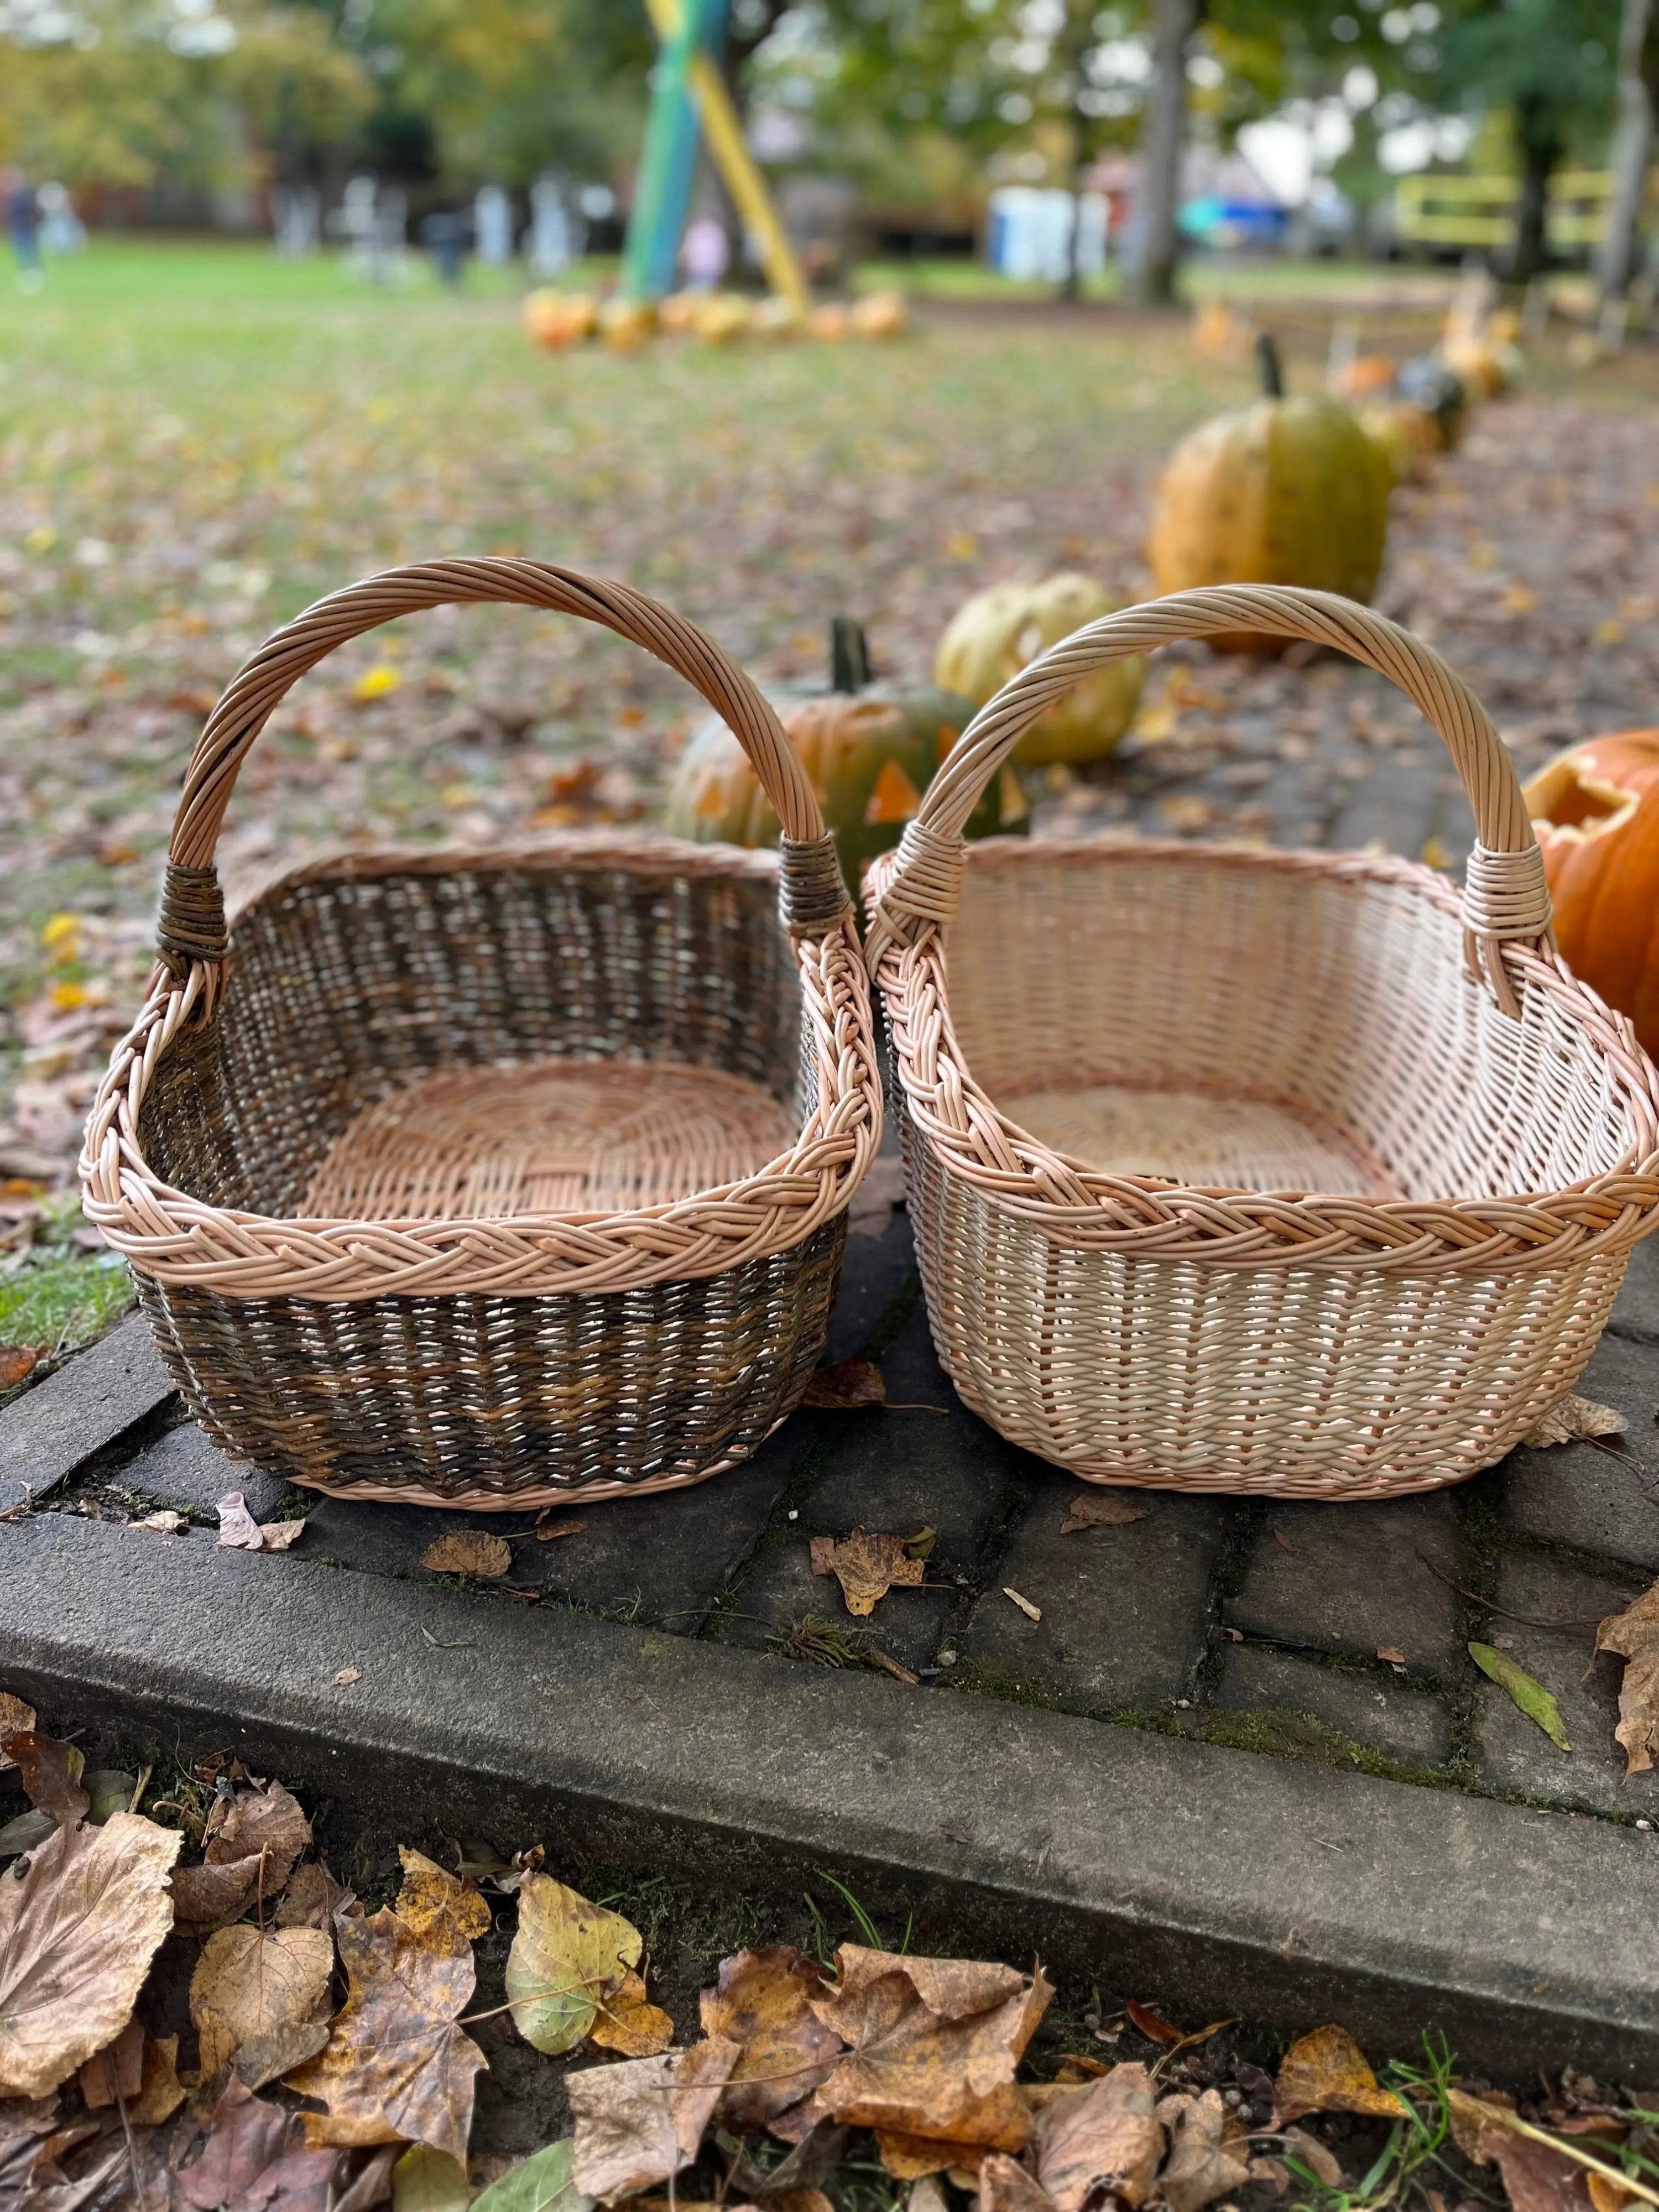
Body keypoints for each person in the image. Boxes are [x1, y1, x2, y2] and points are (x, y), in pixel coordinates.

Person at [4, 168, 42, 293]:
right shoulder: (15, 196)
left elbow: (31, 212)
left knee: (28, 251)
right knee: (22, 251)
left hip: (26, 228)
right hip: (19, 229)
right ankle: (28, 273)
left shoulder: (24, 196)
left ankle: (33, 274)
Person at [420, 206, 472, 288]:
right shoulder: (454, 219)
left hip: (442, 243)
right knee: (450, 260)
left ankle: (448, 279)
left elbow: (425, 231)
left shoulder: (433, 219)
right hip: (450, 242)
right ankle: (451, 279)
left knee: (444, 261)